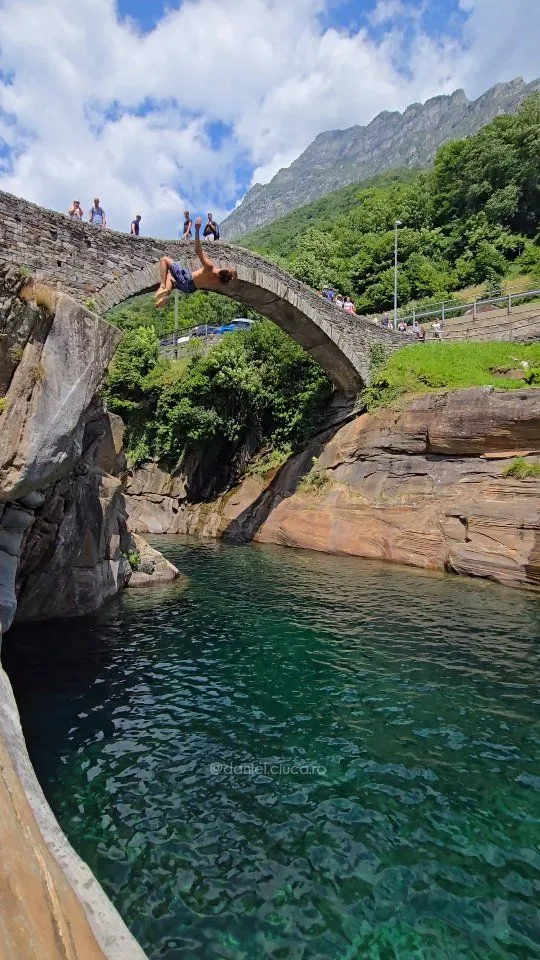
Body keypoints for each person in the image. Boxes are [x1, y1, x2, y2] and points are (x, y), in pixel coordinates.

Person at [155, 217, 237, 307]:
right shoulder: (220, 283)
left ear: (224, 270)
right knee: (170, 277)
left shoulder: (210, 267)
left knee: (164, 260)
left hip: (187, 279)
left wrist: (197, 230)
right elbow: (233, 281)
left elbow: (198, 250)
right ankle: (165, 295)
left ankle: (162, 287)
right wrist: (234, 274)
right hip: (190, 289)